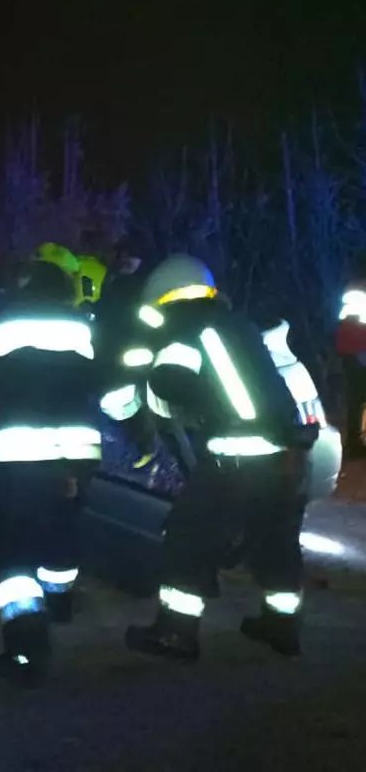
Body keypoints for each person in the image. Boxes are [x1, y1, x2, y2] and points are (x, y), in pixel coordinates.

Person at [100, 254, 316, 660]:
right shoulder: (240, 326)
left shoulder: (186, 330)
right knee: (276, 545)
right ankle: (283, 626)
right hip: (281, 458)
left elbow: (169, 382)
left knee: (186, 539)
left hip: (233, 462)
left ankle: (176, 633)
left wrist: (176, 407)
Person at [0, 246, 100, 685]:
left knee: (9, 552)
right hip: (76, 455)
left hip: (18, 456)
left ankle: (27, 645)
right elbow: (97, 383)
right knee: (60, 529)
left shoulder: (1, 323)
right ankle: (59, 599)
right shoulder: (82, 325)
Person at [335, 255, 366, 459]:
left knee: (355, 399)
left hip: (351, 350)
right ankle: (356, 442)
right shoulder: (358, 291)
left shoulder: (350, 290)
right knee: (358, 398)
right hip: (358, 350)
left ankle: (355, 441)